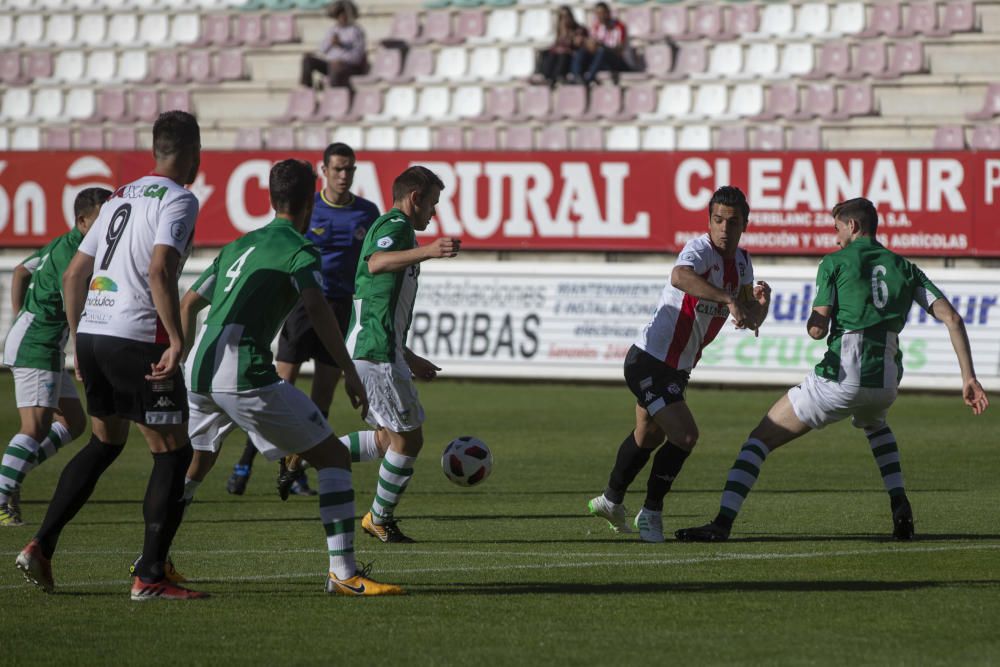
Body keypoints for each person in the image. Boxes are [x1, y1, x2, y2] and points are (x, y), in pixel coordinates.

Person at [676, 197, 990, 543]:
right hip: (885, 381)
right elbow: (953, 318)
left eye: (837, 228)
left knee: (758, 441)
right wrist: (969, 378)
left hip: (841, 377)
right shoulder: (906, 267)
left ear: (853, 227)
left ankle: (722, 523)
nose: (835, 237)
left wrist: (793, 312)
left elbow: (817, 330)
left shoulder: (835, 263)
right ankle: (900, 502)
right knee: (875, 423)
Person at [180, 159, 402, 596]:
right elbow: (318, 311)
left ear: (270, 197)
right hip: (241, 371)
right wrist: (351, 374)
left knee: (195, 464)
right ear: (309, 202)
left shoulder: (239, 244)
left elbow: (188, 303)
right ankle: (343, 572)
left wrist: (178, 353)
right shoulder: (299, 249)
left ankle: (153, 561)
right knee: (333, 460)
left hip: (197, 369)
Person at [16, 110, 205, 600]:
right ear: (191, 152)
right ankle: (149, 576)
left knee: (105, 441)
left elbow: (73, 273)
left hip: (96, 335)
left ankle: (41, 544)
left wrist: (79, 340)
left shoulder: (121, 195)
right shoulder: (180, 199)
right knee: (173, 451)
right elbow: (161, 270)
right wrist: (176, 337)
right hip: (136, 337)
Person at [587, 186, 771, 543]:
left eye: (732, 223)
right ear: (709, 221)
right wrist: (729, 298)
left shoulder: (744, 263)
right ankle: (651, 513)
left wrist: (759, 306)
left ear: (744, 225)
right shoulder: (700, 250)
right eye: (717, 220)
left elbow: (747, 318)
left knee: (648, 435)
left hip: (677, 368)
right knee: (684, 435)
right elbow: (679, 276)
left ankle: (611, 500)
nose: (723, 229)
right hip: (648, 360)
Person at [225, 142, 381, 497]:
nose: (344, 175)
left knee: (321, 397)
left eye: (350, 169)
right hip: (301, 305)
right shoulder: (308, 211)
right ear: (323, 171)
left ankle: (295, 470)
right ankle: (245, 462)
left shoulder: (367, 213)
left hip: (339, 309)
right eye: (338, 169)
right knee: (279, 388)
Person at [345, 166, 460, 544]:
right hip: (374, 352)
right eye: (432, 203)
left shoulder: (396, 231)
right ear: (415, 198)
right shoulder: (395, 226)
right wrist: (427, 251)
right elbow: (375, 265)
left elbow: (380, 306)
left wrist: (410, 358)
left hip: (380, 348)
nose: (433, 212)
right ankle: (379, 517)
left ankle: (309, 452)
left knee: (386, 439)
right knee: (408, 441)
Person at [0, 188, 110, 526]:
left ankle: (13, 476)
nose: (109, 225)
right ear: (82, 221)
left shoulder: (64, 243)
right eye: (101, 219)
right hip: (38, 342)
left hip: (38, 337)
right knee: (35, 426)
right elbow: (71, 290)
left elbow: (21, 270)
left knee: (73, 422)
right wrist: (79, 342)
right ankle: (2, 496)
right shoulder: (76, 253)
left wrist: (19, 316)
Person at [300, 0, 368, 89]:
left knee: (336, 68)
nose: (342, 17)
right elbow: (323, 50)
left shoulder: (356, 31)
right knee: (308, 61)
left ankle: (334, 95)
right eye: (339, 15)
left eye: (344, 14)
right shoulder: (333, 30)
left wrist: (342, 57)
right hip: (331, 65)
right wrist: (331, 43)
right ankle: (307, 90)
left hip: (348, 67)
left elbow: (357, 57)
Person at [570, 2, 630, 85]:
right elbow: (591, 45)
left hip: (617, 61)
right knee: (582, 51)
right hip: (601, 61)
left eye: (602, 13)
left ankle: (589, 79)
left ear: (608, 13)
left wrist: (601, 45)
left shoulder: (620, 27)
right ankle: (577, 77)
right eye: (598, 13)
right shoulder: (596, 27)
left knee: (602, 51)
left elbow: (619, 49)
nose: (600, 16)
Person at [538, 6, 587, 85]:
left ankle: (554, 78)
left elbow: (577, 45)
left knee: (562, 55)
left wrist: (568, 35)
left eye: (566, 16)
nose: (565, 19)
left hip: (573, 56)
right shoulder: (560, 30)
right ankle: (546, 77)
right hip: (560, 54)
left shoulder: (579, 29)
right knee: (548, 53)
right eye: (562, 17)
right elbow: (556, 45)